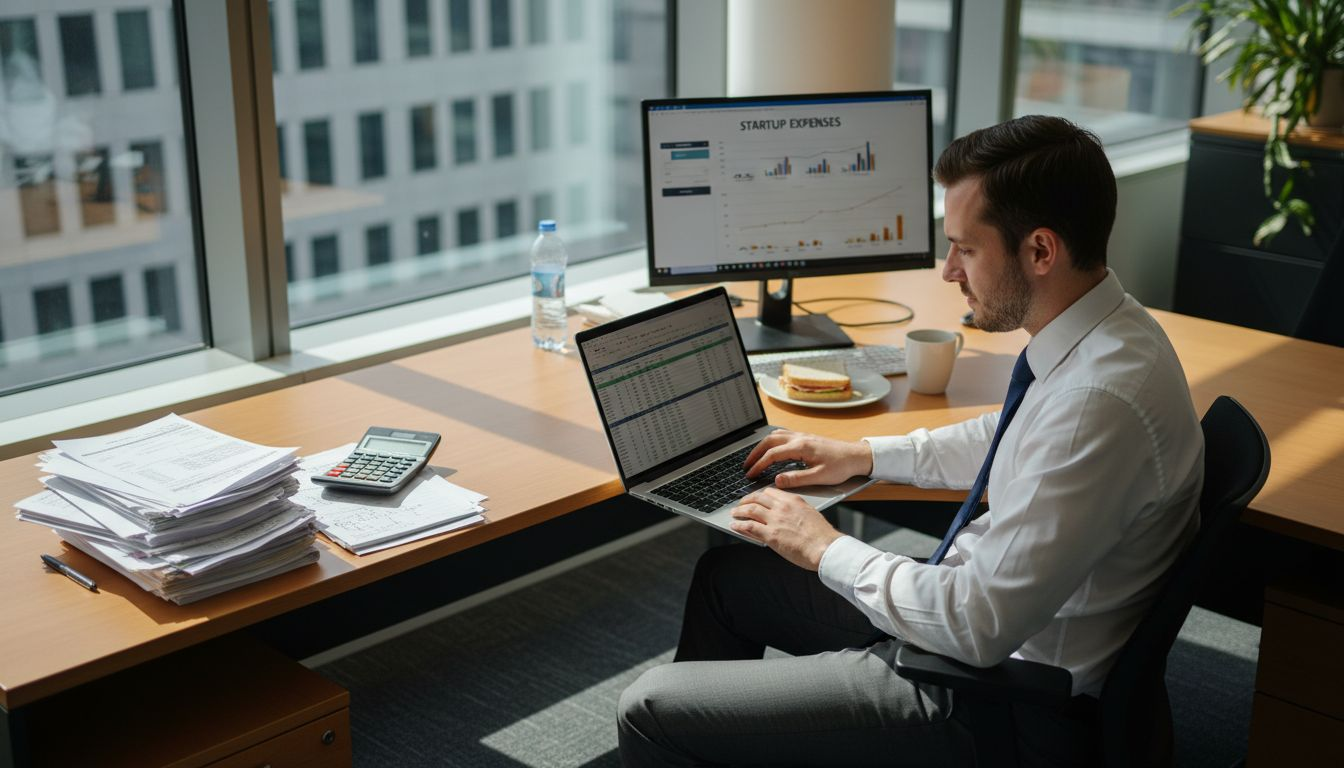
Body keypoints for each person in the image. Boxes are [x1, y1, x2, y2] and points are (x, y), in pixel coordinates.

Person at [617, 115, 1205, 766]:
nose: (949, 270)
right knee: (728, 579)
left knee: (649, 707)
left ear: (1040, 251)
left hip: (997, 698)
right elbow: (1007, 436)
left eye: (965, 249)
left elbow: (976, 626)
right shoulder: (1109, 331)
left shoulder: (1098, 402)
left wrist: (825, 547)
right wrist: (864, 454)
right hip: (976, 622)